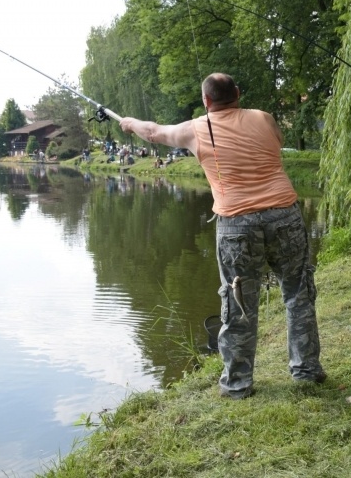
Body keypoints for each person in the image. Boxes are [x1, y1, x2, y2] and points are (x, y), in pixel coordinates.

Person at [119, 72, 325, 399]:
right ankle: (306, 371)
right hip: (285, 213)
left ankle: (238, 384)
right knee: (298, 293)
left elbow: (154, 132)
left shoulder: (195, 129)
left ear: (206, 101)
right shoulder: (265, 118)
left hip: (236, 224)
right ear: (238, 94)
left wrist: (129, 123)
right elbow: (273, 143)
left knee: (239, 303)